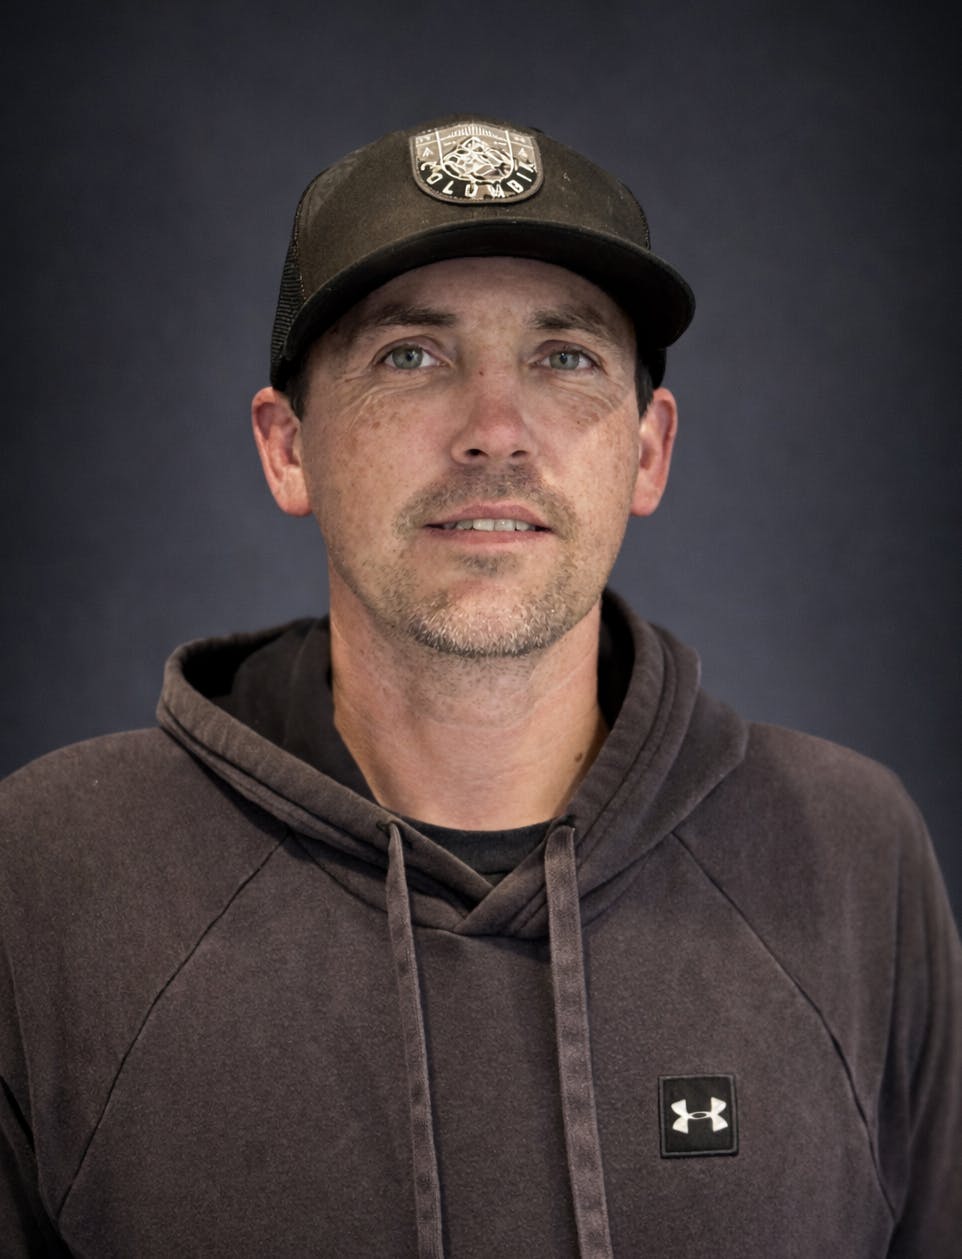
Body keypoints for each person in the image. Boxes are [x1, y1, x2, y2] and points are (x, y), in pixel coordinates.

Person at [1, 116, 959, 1259]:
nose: (494, 432)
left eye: (564, 358)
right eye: (410, 354)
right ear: (287, 446)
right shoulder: (51, 875)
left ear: (646, 450)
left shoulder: (849, 859)